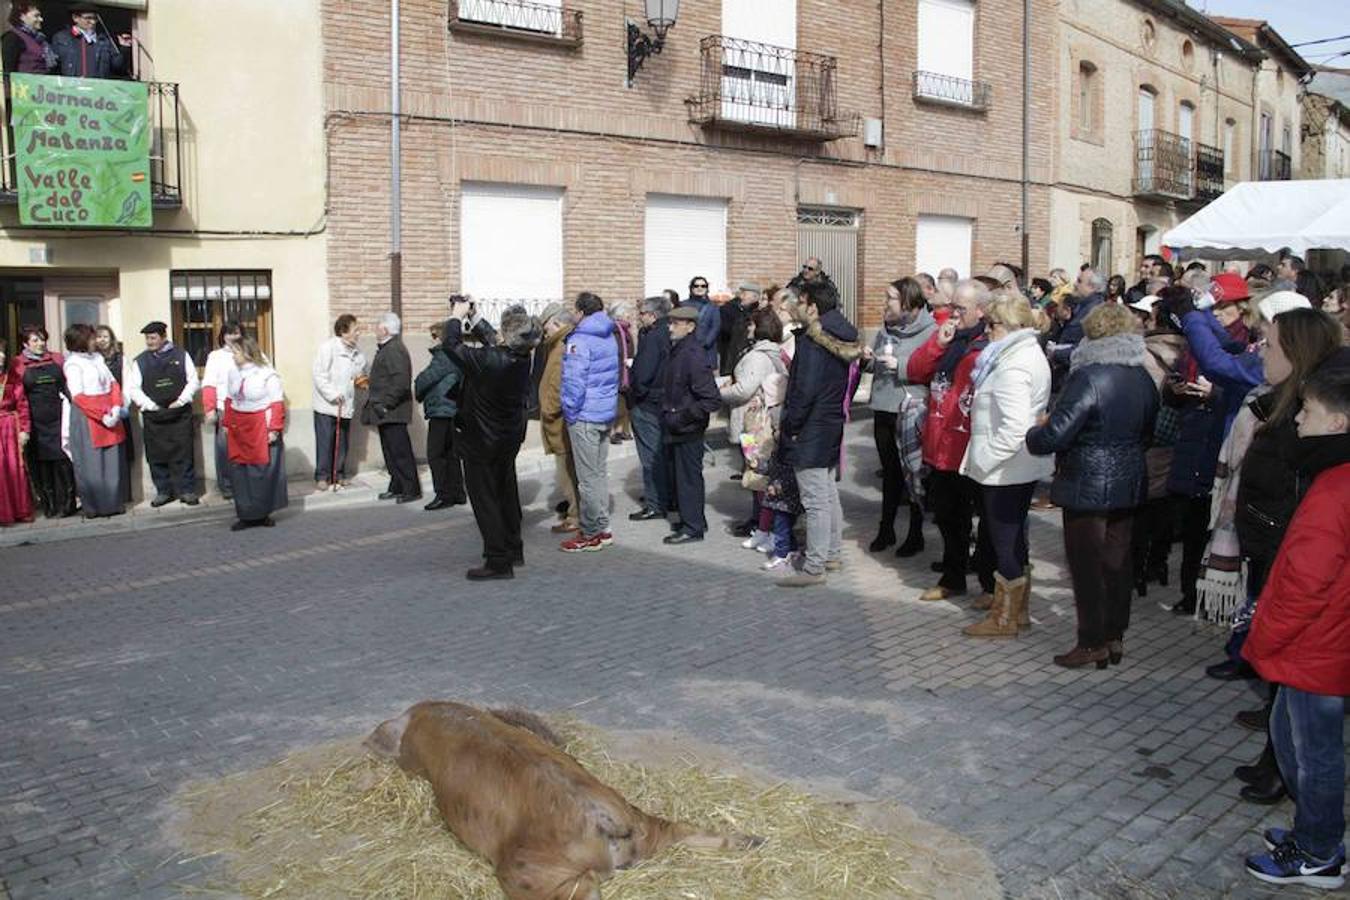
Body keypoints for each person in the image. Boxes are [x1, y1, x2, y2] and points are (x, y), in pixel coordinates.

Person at [1241, 360, 1350, 889]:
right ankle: (1317, 833)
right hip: (1321, 642)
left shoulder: (1334, 489)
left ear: (1338, 424)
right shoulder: (1331, 476)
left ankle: (1318, 851)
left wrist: (1264, 635)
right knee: (1291, 739)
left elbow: (1306, 581)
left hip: (1317, 645)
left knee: (1312, 754)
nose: (1298, 418)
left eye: (1308, 410)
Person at [1027, 304, 1159, 669]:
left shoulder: (1088, 376)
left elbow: (1054, 435)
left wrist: (1037, 429)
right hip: (1130, 478)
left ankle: (1092, 641)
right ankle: (1114, 636)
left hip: (1088, 480)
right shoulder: (1141, 375)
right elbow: (1152, 429)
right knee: (1117, 563)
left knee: (1087, 566)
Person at [960, 293, 1053, 638]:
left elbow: (1014, 428)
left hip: (1005, 467)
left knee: (1005, 542)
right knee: (1013, 541)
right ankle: (1017, 613)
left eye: (992, 324)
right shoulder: (1020, 353)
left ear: (1012, 325)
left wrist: (984, 460)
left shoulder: (1014, 362)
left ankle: (1005, 619)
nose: (987, 330)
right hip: (1015, 465)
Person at [907, 280, 993, 602]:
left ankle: (990, 584)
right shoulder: (947, 335)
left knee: (983, 520)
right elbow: (916, 370)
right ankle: (953, 577)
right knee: (947, 515)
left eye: (961, 309)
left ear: (981, 310)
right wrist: (937, 345)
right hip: (940, 444)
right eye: (952, 307)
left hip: (970, 446)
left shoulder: (988, 344)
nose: (953, 315)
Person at [442, 300, 540, 579]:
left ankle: (498, 560)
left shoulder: (491, 361)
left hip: (481, 442)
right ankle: (513, 548)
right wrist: (475, 317)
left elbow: (452, 346)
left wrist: (455, 317)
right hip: (506, 439)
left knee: (485, 499)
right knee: (506, 495)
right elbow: (494, 340)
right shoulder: (521, 357)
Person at [775, 282, 862, 587]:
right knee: (826, 493)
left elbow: (804, 389)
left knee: (815, 500)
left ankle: (815, 567)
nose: (794, 305)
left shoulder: (814, 341)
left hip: (811, 426)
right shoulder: (839, 334)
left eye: (798, 300)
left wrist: (791, 426)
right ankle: (831, 554)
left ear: (811, 305)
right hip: (829, 422)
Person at [863, 277, 935, 557]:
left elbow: (932, 368)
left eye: (890, 298)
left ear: (908, 302)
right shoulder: (886, 328)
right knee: (890, 472)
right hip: (883, 406)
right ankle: (886, 528)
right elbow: (873, 364)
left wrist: (901, 365)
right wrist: (865, 357)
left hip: (911, 409)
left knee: (913, 473)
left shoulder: (931, 331)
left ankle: (916, 533)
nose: (885, 304)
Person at [721, 307, 788, 553]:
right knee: (759, 476)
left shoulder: (758, 356)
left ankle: (765, 528)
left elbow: (745, 389)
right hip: (761, 422)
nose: (748, 328)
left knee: (759, 476)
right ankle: (760, 525)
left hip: (755, 424)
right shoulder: (771, 353)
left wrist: (719, 392)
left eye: (751, 325)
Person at [560, 292, 620, 553]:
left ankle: (591, 532)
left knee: (587, 479)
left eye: (573, 309)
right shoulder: (608, 335)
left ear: (581, 311)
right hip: (605, 412)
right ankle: (602, 527)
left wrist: (570, 412)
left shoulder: (580, 340)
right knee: (597, 474)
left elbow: (574, 382)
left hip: (585, 415)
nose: (571, 314)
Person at [660, 305, 722, 545]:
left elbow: (711, 399)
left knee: (688, 479)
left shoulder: (693, 355)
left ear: (690, 326)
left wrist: (681, 416)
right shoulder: (680, 350)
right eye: (671, 322)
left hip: (687, 427)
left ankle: (693, 527)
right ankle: (692, 518)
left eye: (676, 323)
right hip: (678, 425)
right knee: (682, 477)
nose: (670, 327)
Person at [125, 321, 200, 506]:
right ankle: (163, 491)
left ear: (163, 337)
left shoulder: (181, 355)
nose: (149, 342)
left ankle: (187, 490)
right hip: (154, 416)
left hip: (180, 414)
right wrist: (150, 405)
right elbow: (133, 388)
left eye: (153, 338)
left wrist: (181, 401)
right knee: (156, 456)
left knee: (184, 454)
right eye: (147, 339)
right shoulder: (140, 361)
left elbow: (193, 381)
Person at [63, 323, 128, 519]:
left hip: (109, 409)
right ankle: (95, 506)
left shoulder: (98, 358)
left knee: (111, 461)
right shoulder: (73, 363)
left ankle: (113, 503)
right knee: (92, 463)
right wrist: (101, 415)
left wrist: (116, 406)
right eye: (92, 338)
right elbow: (78, 396)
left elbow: (113, 383)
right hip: (88, 416)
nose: (96, 341)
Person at [223, 337, 287, 530]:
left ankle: (262, 513)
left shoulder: (267, 374)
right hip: (238, 425)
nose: (233, 356)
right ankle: (246, 514)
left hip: (259, 424)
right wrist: (226, 422)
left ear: (247, 352)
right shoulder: (233, 373)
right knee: (239, 471)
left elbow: (277, 403)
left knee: (260, 472)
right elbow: (229, 398)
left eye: (236, 352)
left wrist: (274, 429)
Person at [10, 326, 74, 517]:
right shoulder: (17, 364)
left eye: (42, 339)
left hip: (58, 417)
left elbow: (67, 388)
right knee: (41, 464)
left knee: (62, 462)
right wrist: (23, 426)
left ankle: (68, 503)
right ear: (25, 344)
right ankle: (49, 505)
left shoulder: (57, 359)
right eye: (35, 340)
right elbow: (17, 396)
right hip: (35, 421)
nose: (40, 344)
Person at [363, 312, 419, 503]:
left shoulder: (394, 349)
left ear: (385, 329)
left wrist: (386, 404)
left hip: (393, 411)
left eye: (378, 326)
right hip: (385, 412)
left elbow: (401, 381)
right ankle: (397, 486)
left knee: (400, 452)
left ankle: (411, 489)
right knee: (391, 453)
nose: (375, 329)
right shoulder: (387, 348)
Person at [627, 296, 673, 524]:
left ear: (653, 315)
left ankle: (655, 503)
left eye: (642, 313)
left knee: (650, 456)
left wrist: (634, 387)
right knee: (662, 454)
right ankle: (665, 497)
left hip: (648, 403)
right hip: (663, 401)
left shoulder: (653, 337)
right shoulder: (670, 333)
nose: (639, 317)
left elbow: (643, 372)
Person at [537, 303, 580, 534]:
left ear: (556, 323)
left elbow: (557, 384)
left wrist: (548, 410)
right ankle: (575, 511)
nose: (545, 333)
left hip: (560, 421)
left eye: (547, 327)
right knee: (567, 470)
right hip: (559, 419)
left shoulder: (562, 346)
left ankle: (575, 517)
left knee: (567, 472)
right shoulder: (558, 344)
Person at [414, 321, 466, 511]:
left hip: (442, 411)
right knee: (452, 454)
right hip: (451, 410)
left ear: (439, 337)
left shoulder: (444, 355)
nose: (431, 340)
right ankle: (457, 493)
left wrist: (417, 387)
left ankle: (443, 494)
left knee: (436, 455)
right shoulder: (456, 353)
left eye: (433, 336)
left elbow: (425, 379)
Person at [312, 314, 367, 491]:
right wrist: (332, 394)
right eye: (355, 330)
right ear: (343, 332)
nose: (358, 333)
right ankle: (322, 476)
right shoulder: (328, 348)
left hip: (346, 405)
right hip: (327, 406)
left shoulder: (357, 353)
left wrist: (361, 381)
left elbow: (359, 374)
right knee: (325, 441)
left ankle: (338, 474)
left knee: (342, 441)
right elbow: (319, 375)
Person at [202, 322, 243, 500]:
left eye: (236, 333)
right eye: (229, 333)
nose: (233, 337)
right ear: (223, 336)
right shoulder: (215, 356)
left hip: (247, 408)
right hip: (224, 408)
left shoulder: (251, 353)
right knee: (224, 449)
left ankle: (244, 483)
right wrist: (209, 409)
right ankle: (227, 486)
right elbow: (209, 383)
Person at [1048, 268, 1106, 380]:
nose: (1074, 284)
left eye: (1079, 281)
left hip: (1077, 374)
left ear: (1092, 287)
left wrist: (1057, 353)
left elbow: (1090, 348)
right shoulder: (1082, 305)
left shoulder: (1096, 312)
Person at [0, 339, 33, 524]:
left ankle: (17, 510)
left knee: (13, 468)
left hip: (8, 427)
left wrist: (24, 429)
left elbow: (22, 404)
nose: (2, 356)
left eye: (3, 352)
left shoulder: (12, 378)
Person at [51, 5, 129, 79]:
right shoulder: (61, 38)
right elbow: (53, 66)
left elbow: (118, 67)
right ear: (75, 18)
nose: (93, 22)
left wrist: (124, 48)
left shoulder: (104, 39)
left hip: (98, 87)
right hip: (71, 88)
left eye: (95, 18)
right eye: (88, 18)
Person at [719, 282, 761, 376]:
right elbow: (725, 330)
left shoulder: (759, 313)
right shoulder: (728, 309)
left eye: (745, 294)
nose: (742, 297)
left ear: (756, 297)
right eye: (742, 294)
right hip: (730, 352)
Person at [1, 4, 55, 76]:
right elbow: (8, 71)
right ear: (22, 16)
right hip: (26, 85)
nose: (41, 19)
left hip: (43, 83)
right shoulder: (13, 37)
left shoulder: (39, 39)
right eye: (36, 16)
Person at [681, 276, 721, 372]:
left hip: (706, 351)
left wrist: (705, 344)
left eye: (703, 286)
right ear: (691, 288)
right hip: (686, 349)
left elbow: (715, 327)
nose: (700, 288)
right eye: (696, 286)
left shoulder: (713, 307)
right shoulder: (683, 305)